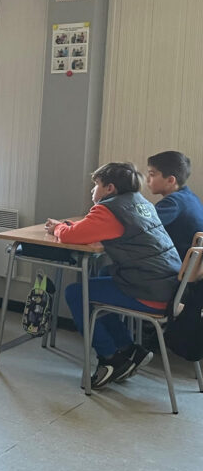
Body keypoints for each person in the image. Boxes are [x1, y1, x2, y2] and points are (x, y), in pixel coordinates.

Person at [46, 162, 181, 389]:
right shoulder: (141, 203)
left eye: (96, 185)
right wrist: (68, 226)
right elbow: (92, 230)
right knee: (100, 281)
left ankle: (109, 357)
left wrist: (59, 228)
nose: (92, 190)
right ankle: (128, 349)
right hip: (167, 287)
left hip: (149, 292)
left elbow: (70, 237)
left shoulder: (108, 209)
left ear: (110, 188)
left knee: (77, 293)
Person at [146, 150, 203, 259]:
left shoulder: (173, 202)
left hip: (175, 263)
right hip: (189, 263)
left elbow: (142, 225)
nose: (147, 179)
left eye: (152, 174)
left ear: (170, 180)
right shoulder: (190, 197)